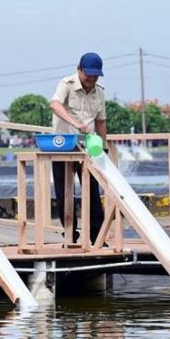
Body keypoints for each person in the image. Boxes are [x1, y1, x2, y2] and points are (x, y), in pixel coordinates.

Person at [49, 52, 107, 245]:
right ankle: (70, 235)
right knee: (64, 193)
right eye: (88, 75)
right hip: (64, 145)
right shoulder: (67, 84)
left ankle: (97, 237)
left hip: (88, 148)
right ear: (79, 69)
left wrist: (103, 148)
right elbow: (55, 104)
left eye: (95, 77)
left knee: (92, 193)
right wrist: (74, 122)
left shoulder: (99, 91)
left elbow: (100, 122)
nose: (91, 80)